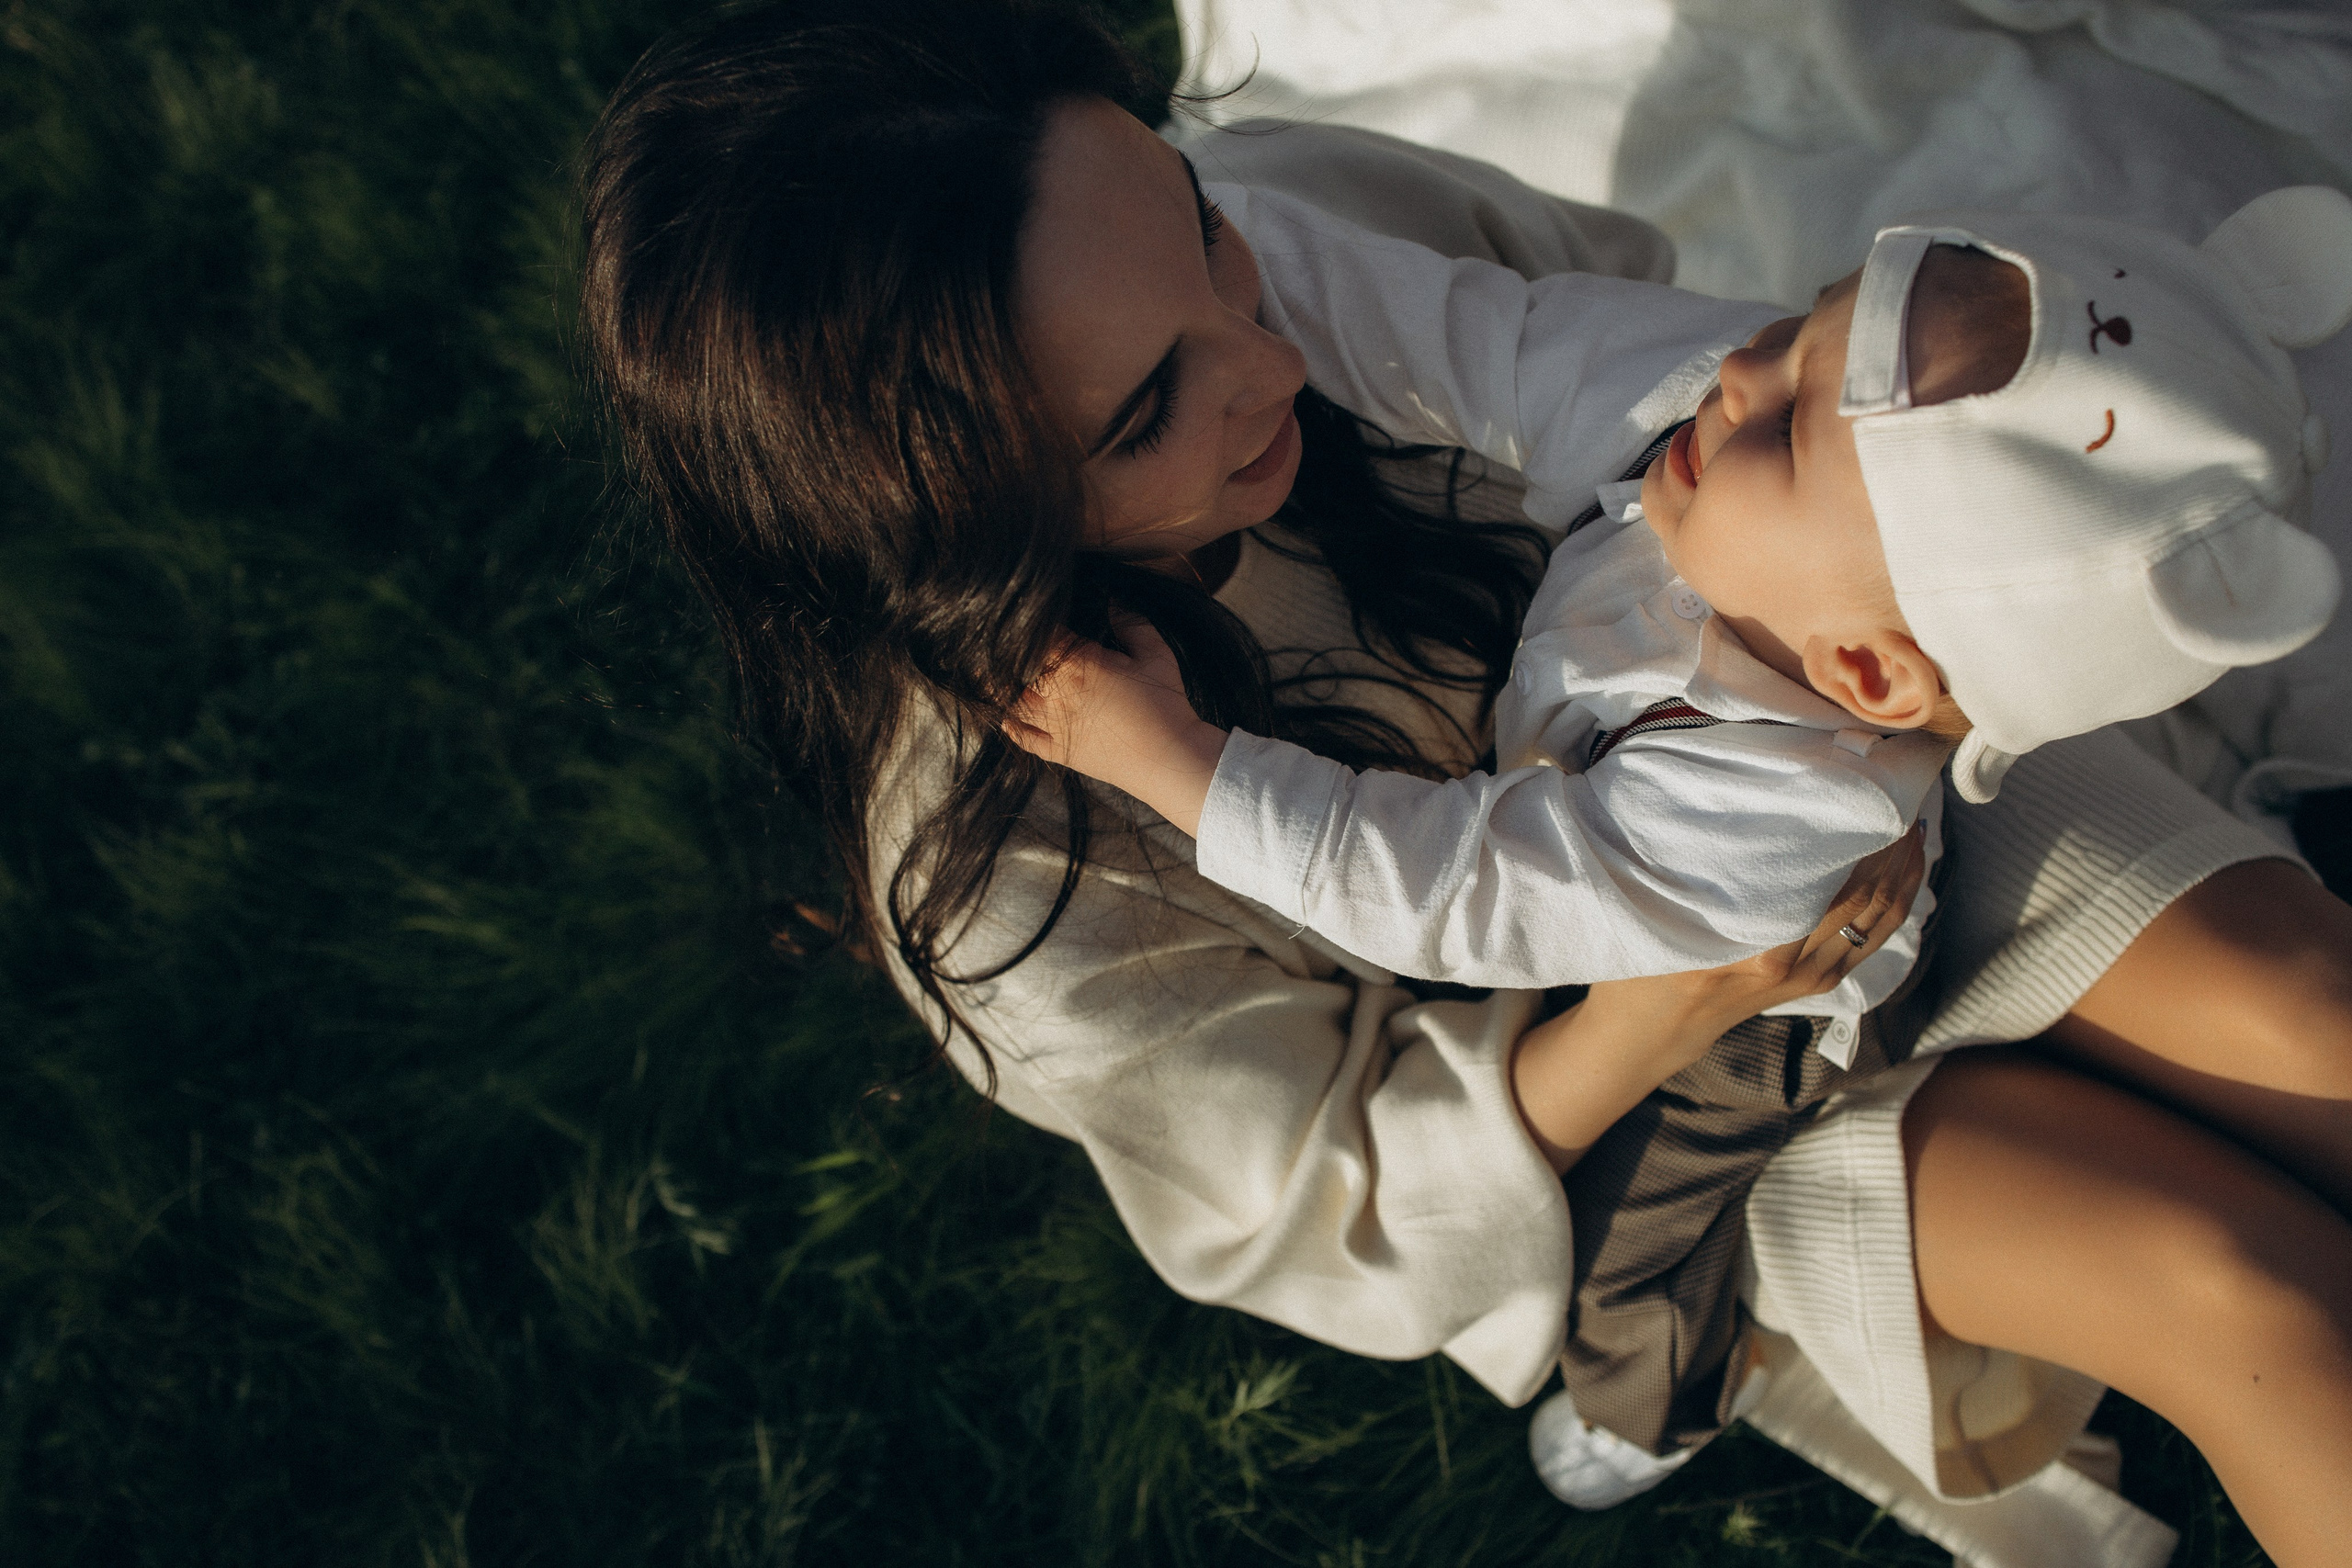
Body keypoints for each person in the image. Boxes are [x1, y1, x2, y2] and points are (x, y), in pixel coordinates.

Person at [573, 3, 2352, 1563]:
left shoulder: (1302, 234)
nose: (1269, 362)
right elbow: (1341, 1208)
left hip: (1816, 759)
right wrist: (1696, 988)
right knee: (2227, 1280)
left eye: (1206, 239)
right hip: (1645, 1098)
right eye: (1139, 415)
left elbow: (1594, 343)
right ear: (946, 520)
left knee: (2311, 1015)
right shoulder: (1013, 857)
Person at [1008, 184, 2352, 1475]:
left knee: (1655, 1251)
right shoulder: (1740, 440)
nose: (1740, 372)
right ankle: (1722, 1365)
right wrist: (1188, 228)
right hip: (1665, 990)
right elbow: (1485, 336)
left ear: (1869, 676)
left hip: (1761, 1028)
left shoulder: (1771, 797)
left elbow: (1449, 891)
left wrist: (1180, 765)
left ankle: (1645, 1397)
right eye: (1795, 327)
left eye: (1787, 421)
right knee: (2241, 1291)